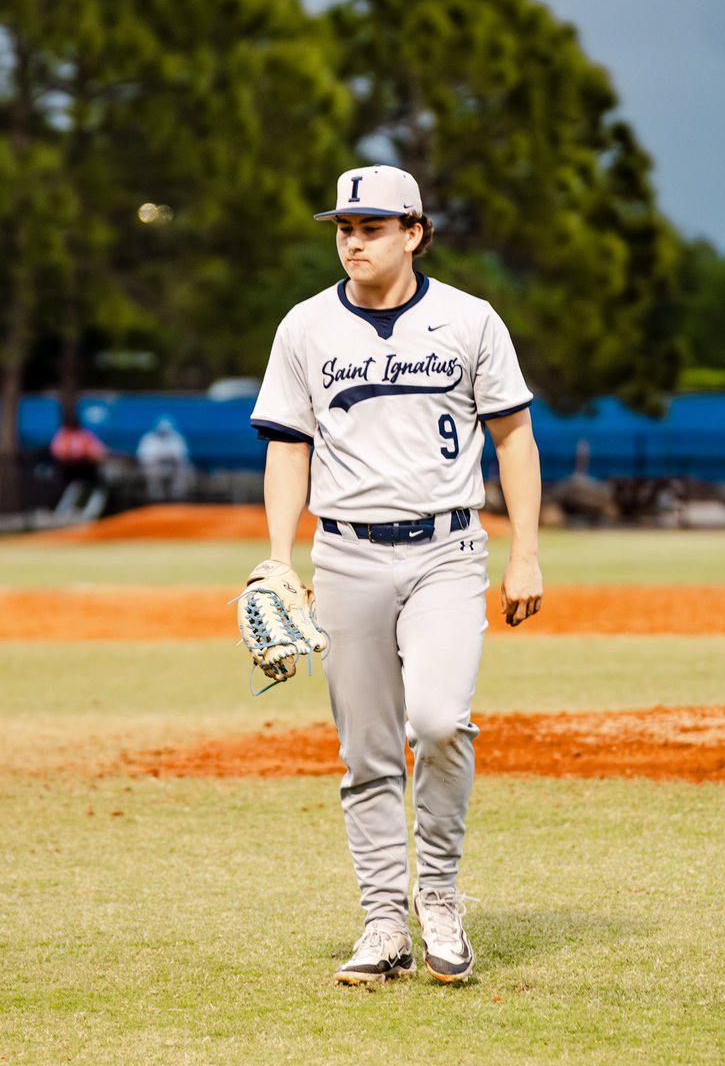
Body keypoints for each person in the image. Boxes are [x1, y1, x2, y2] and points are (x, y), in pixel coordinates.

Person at [250, 164, 543, 986]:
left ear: (414, 233)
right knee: (368, 749)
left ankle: (439, 895)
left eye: (372, 226)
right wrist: (280, 558)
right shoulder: (305, 327)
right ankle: (384, 921)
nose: (352, 239)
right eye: (344, 226)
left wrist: (524, 551)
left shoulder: (468, 319)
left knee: (441, 721)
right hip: (344, 554)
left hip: (447, 551)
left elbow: (514, 436)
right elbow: (287, 447)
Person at [136, 416, 192, 502]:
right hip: (155, 468)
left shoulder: (176, 438)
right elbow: (144, 458)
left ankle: (177, 498)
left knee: (183, 470)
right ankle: (156, 499)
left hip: (172, 468)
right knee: (151, 471)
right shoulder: (149, 439)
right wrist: (160, 459)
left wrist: (169, 459)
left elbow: (182, 458)